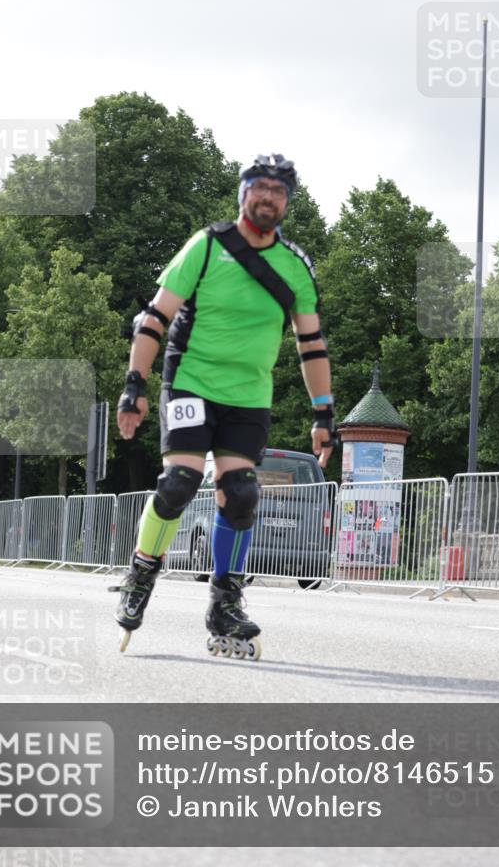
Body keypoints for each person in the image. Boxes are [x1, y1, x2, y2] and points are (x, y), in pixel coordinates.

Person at [111, 154, 336, 658]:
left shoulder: (295, 267)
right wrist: (135, 385)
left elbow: (312, 345)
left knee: (241, 493)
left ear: (287, 203)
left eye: (278, 191)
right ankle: (141, 573)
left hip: (248, 398)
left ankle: (225, 603)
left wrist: (324, 414)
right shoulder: (207, 246)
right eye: (259, 186)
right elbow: (153, 318)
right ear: (242, 193)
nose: (268, 197)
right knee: (179, 484)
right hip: (190, 381)